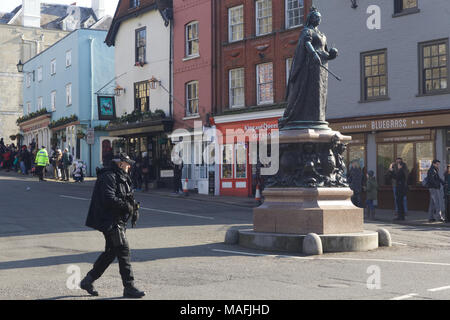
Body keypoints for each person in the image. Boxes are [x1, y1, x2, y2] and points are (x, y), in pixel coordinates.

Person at [80, 152, 145, 298]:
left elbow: (126, 196)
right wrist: (126, 206)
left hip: (117, 220)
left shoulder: (122, 176)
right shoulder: (108, 176)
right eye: (127, 163)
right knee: (123, 250)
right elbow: (109, 198)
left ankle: (87, 280)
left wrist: (133, 209)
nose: (129, 166)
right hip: (110, 221)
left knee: (111, 252)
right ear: (120, 163)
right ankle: (129, 287)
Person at [279, 7, 338, 129]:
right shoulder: (307, 31)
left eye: (320, 17)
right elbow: (306, 43)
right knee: (309, 91)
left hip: (321, 69)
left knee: (320, 92)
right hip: (310, 66)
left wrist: (332, 54)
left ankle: (317, 117)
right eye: (316, 17)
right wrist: (313, 53)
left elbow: (324, 51)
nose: (318, 19)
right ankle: (300, 116)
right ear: (310, 19)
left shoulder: (322, 35)